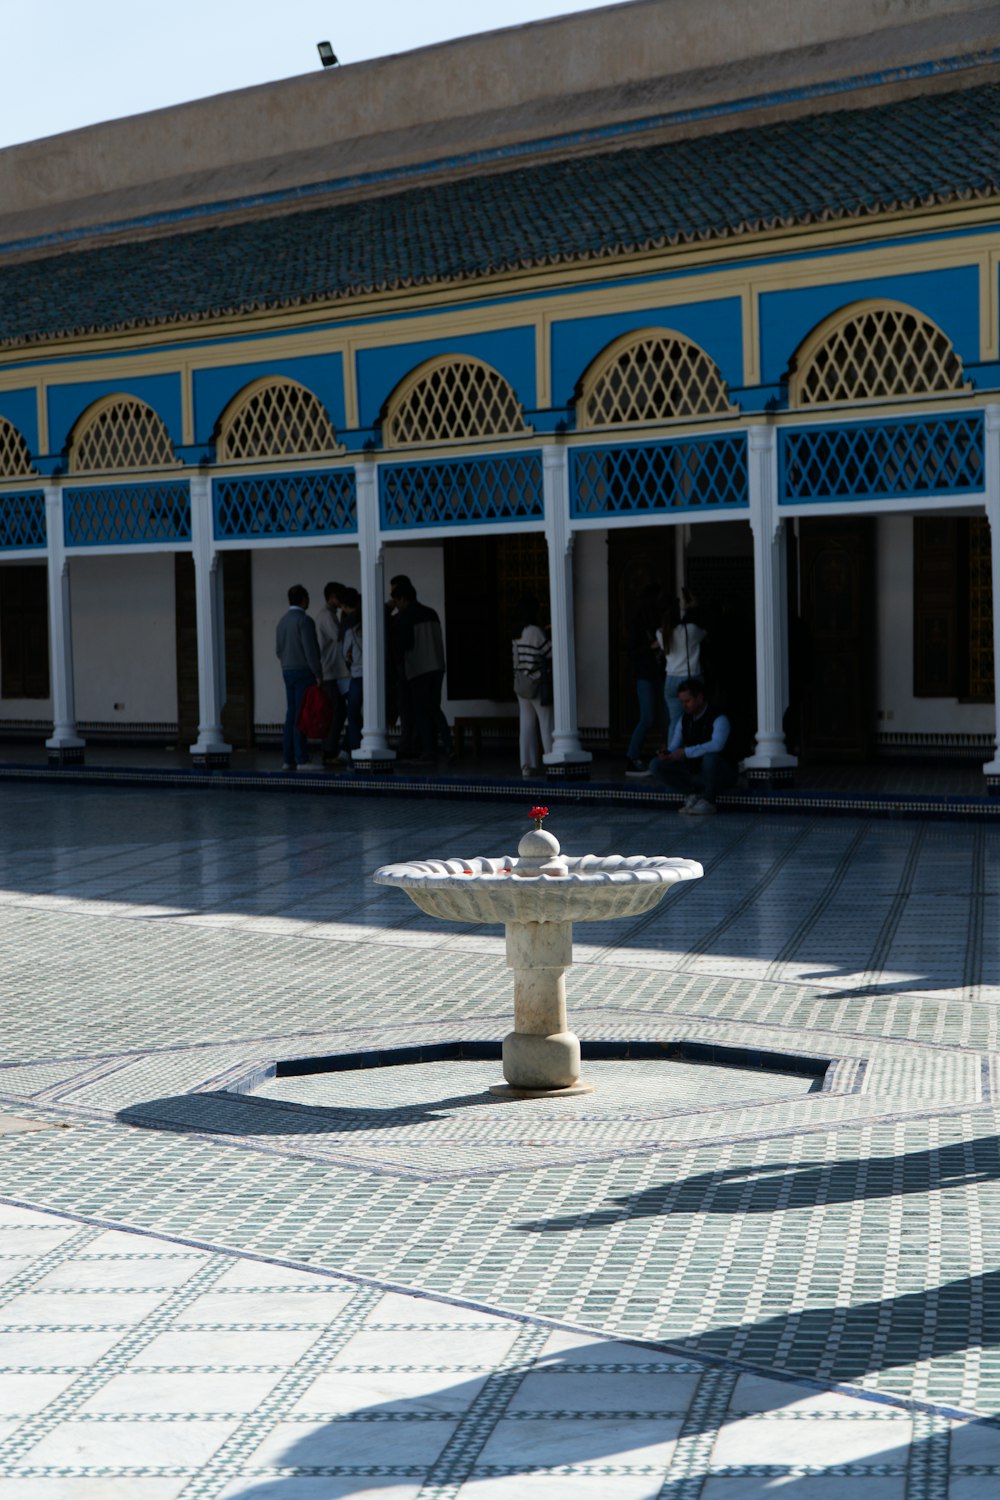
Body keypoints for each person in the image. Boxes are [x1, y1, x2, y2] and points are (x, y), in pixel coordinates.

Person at [648, 677, 737, 814]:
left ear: (700, 698)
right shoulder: (685, 719)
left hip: (721, 773)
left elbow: (717, 745)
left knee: (710, 758)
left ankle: (709, 801)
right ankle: (691, 795)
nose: (684, 705)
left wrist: (686, 752)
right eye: (682, 701)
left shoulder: (719, 717)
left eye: (687, 701)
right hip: (696, 772)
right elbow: (674, 746)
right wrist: (667, 754)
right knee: (656, 765)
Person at [389, 575, 446, 764]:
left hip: (419, 669)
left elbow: (404, 645)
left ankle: (427, 750)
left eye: (396, 601)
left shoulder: (404, 616)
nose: (395, 605)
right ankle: (443, 746)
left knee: (420, 711)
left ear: (403, 599)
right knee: (434, 709)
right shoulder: (432, 612)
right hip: (437, 667)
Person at [275, 584, 321, 771]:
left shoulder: (282, 621)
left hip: (287, 670)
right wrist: (318, 673)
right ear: (303, 599)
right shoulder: (305, 621)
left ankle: (288, 759)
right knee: (301, 715)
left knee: (291, 713)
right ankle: (302, 758)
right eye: (308, 597)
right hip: (303, 671)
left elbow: (278, 650)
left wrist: (287, 661)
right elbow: (311, 650)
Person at [511, 594, 553, 778]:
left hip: (521, 684)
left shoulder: (517, 631)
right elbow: (549, 652)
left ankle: (526, 765)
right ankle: (552, 760)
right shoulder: (535, 631)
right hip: (536, 683)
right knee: (546, 722)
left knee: (526, 724)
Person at [657, 588, 708, 738]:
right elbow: (704, 633)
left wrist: (686, 611)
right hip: (689, 678)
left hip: (671, 679)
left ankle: (671, 754)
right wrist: (692, 609)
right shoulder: (691, 630)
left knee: (675, 722)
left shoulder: (660, 633)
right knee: (697, 718)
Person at [624, 583, 662, 777]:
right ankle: (632, 757)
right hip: (644, 675)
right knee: (647, 717)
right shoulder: (639, 623)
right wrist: (651, 647)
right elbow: (631, 651)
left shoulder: (654, 620)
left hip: (656, 674)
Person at [316, 581, 350, 767]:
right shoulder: (327, 617)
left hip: (332, 670)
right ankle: (329, 750)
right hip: (330, 671)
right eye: (339, 597)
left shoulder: (328, 615)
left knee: (338, 710)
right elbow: (340, 635)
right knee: (337, 711)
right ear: (331, 597)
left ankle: (330, 748)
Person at [339, 586, 364, 754]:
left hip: (357, 674)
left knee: (353, 715)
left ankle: (355, 754)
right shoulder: (370, 616)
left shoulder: (348, 623)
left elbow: (345, 651)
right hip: (375, 674)